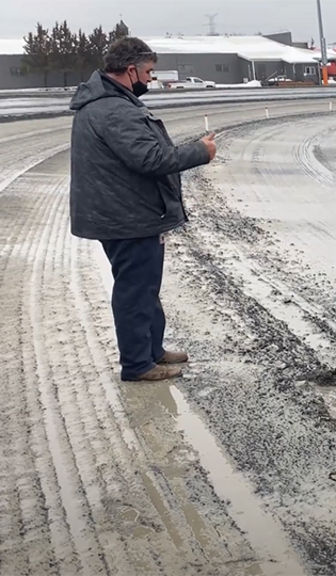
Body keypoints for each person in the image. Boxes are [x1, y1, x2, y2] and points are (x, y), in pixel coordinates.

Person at [68, 37, 217, 382]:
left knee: (144, 286)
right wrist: (200, 152)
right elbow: (150, 159)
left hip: (125, 213)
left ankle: (151, 350)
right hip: (127, 218)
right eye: (148, 72)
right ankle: (137, 364)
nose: (150, 79)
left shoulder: (110, 103)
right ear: (130, 69)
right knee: (135, 289)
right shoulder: (113, 109)